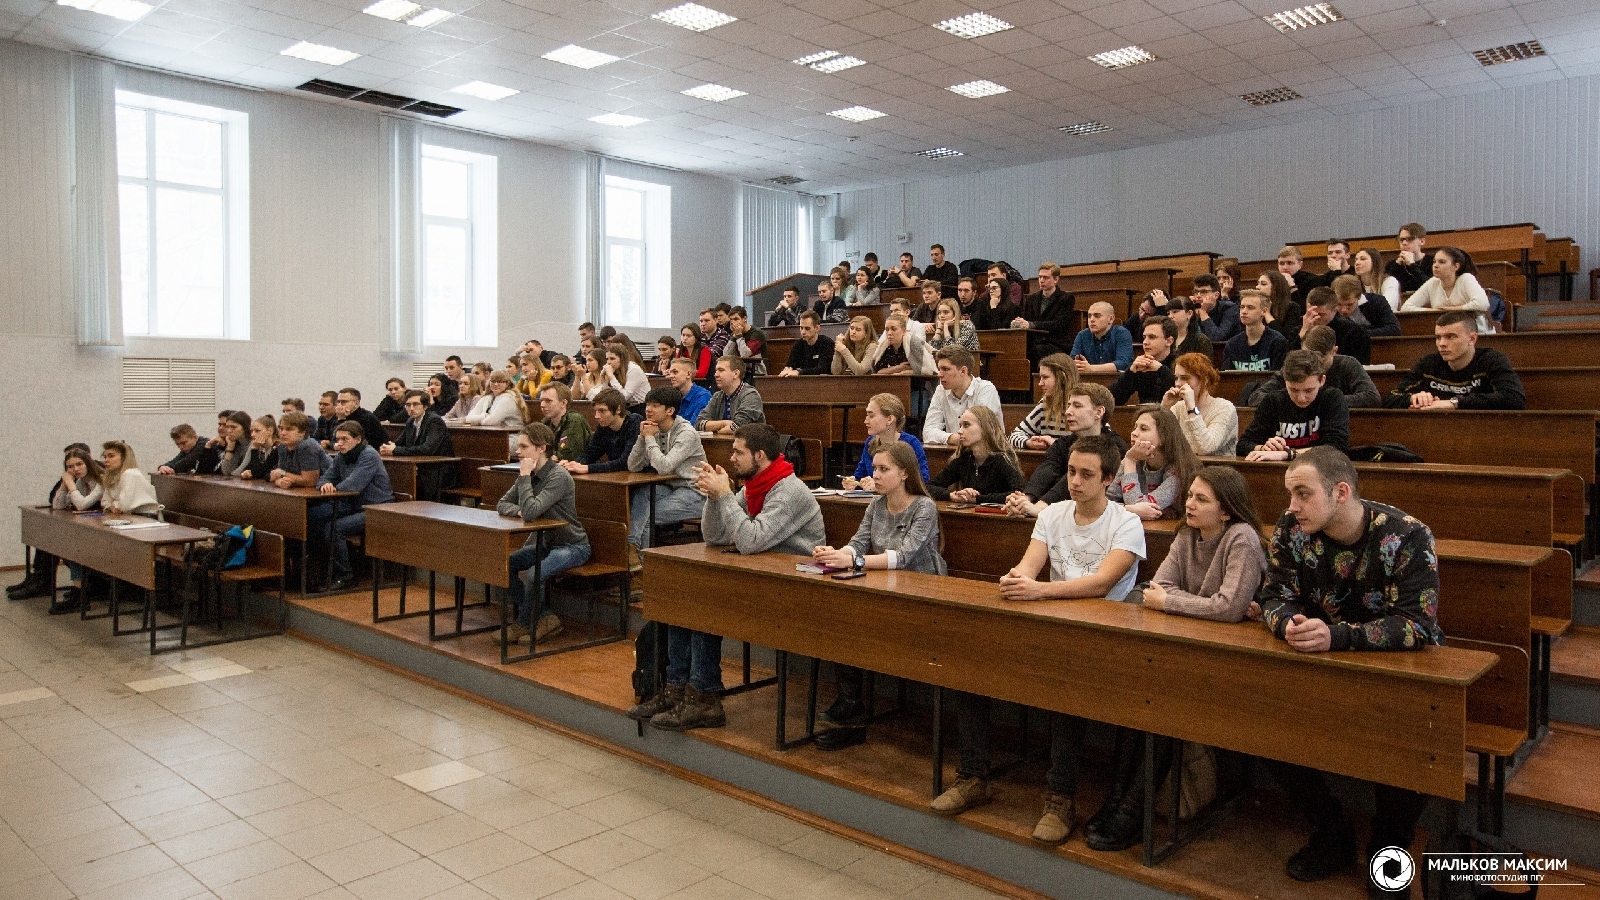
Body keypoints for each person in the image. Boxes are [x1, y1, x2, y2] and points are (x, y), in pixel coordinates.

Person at [932, 436, 1144, 845]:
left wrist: (1039, 591)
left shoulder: (1126, 523)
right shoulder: (1054, 515)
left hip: (1103, 633)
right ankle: (973, 776)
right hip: (1052, 621)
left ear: (1109, 479)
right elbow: (1030, 565)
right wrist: (1016, 580)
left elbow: (1101, 584)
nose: (1076, 482)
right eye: (1070, 473)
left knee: (1062, 683)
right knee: (972, 667)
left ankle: (1060, 798)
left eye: (1087, 475)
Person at [1257, 447, 1443, 894]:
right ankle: (1332, 831)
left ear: (1341, 492)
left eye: (1303, 494)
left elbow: (1418, 625)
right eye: (1289, 494)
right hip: (1318, 660)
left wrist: (1336, 637)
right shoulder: (1291, 528)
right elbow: (1273, 596)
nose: (1291, 507)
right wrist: (1291, 625)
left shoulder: (1407, 535)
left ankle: (1389, 844)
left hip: (1397, 670)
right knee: (1260, 716)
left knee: (1410, 736)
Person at [1084, 465, 1269, 852]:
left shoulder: (1243, 539)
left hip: (1231, 661)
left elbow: (1228, 608)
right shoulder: (1187, 536)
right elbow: (1159, 586)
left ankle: (1132, 810)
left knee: (1163, 704)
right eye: (1190, 496)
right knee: (1142, 699)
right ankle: (1117, 800)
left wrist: (1172, 603)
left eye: (1201, 499)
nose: (1190, 504)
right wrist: (1187, 603)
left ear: (1226, 510)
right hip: (1186, 651)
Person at [811, 440, 947, 748]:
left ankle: (852, 709)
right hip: (887, 587)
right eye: (875, 468)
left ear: (903, 473)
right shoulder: (876, 504)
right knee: (840, 621)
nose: (876, 475)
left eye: (884, 469)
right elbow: (857, 543)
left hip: (923, 591)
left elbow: (904, 556)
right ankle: (850, 705)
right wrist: (835, 554)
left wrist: (854, 561)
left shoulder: (924, 506)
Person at [496, 422, 591, 647]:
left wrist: (525, 479)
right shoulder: (528, 474)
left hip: (572, 546)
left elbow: (530, 512)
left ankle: (523, 622)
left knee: (532, 574)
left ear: (541, 449)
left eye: (524, 446)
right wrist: (519, 508)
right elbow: (502, 504)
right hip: (546, 543)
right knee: (504, 565)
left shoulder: (557, 477)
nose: (517, 451)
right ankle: (544, 617)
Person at [1004, 383, 1131, 518]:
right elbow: (1046, 470)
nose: (1068, 411)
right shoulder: (1063, 443)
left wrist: (1042, 506)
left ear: (1099, 412)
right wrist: (1025, 499)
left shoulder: (1114, 446)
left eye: (1077, 406)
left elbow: (1073, 480)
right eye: (1069, 405)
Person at [1384, 310, 1526, 410]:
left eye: (1450, 336)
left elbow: (1513, 398)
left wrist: (1454, 403)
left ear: (1472, 339)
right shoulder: (1429, 363)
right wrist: (1413, 398)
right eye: (1438, 337)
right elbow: (1391, 398)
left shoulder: (1492, 360)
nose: (1442, 343)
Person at [312, 422, 394, 593]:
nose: (339, 443)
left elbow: (354, 485)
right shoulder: (342, 455)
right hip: (352, 504)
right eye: (337, 439)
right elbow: (324, 478)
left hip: (377, 508)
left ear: (357, 439)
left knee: (334, 528)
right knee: (313, 517)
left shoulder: (369, 455)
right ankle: (323, 571)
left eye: (345, 439)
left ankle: (346, 575)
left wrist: (333, 487)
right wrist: (325, 484)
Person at [627, 387, 708, 551]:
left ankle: (640, 559)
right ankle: (634, 546)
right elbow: (633, 466)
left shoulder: (686, 433)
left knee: (647, 515)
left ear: (670, 410)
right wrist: (642, 438)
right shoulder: (653, 428)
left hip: (695, 492)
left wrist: (649, 438)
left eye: (655, 406)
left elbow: (664, 467)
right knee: (643, 492)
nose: (648, 409)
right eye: (647, 404)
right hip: (670, 487)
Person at [1238, 350, 1349, 459]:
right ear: (1285, 381)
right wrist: (1265, 448)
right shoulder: (1273, 401)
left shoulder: (1332, 398)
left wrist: (1288, 454)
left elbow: (1335, 448)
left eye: (1309, 390)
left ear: (1322, 381)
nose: (1301, 398)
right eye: (1294, 390)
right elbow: (1243, 444)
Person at [1253, 326, 1382, 410]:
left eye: (1321, 358)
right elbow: (1256, 397)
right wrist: (1295, 398)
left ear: (1334, 351)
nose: (1312, 361)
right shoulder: (1295, 365)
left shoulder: (1347, 364)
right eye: (1307, 354)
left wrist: (1322, 400)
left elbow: (1371, 397)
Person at [1109, 406, 1198, 520]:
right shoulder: (1130, 460)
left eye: (1144, 428)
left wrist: (1130, 462)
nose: (1134, 433)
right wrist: (1127, 509)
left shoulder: (1178, 470)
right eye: (1135, 427)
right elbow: (1105, 502)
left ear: (1163, 437)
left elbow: (1140, 507)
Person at [46, 447, 106, 613]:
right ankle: (79, 591)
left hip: (109, 530)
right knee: (67, 544)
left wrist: (71, 484)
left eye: (79, 464)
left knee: (74, 546)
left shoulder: (100, 480)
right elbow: (58, 505)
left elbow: (82, 504)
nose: (75, 469)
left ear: (88, 463)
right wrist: (65, 485)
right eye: (70, 467)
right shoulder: (80, 482)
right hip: (93, 527)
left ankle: (80, 594)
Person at [928, 407, 1024, 504]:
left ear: (985, 428)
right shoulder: (964, 459)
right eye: (960, 426)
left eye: (966, 425)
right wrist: (953, 495)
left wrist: (977, 499)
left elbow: (1019, 493)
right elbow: (928, 487)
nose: (959, 431)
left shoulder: (1003, 458)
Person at [380, 390, 456, 500]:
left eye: (415, 404)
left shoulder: (434, 421)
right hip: (421, 467)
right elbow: (398, 443)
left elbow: (427, 449)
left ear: (425, 406)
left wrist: (395, 450)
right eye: (408, 405)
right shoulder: (411, 421)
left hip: (439, 470)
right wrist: (387, 447)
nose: (411, 408)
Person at [1162, 352, 1238, 457]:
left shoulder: (1225, 408)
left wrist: (1192, 408)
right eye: (1176, 378)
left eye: (1184, 378)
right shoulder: (1177, 408)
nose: (1177, 384)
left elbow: (1206, 448)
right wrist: (1164, 408)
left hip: (1216, 470)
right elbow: (1158, 443)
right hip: (1183, 469)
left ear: (1204, 380)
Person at [923, 346, 1002, 447]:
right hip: (958, 454)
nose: (939, 374)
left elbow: (984, 432)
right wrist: (952, 438)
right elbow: (928, 432)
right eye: (939, 369)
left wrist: (956, 438)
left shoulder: (985, 389)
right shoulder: (940, 390)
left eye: (946, 369)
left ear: (963, 371)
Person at [1401, 247, 1490, 332]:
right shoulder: (1433, 282)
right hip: (1447, 333)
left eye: (1442, 262)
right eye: (1434, 262)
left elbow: (1482, 304)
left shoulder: (1466, 278)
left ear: (1456, 266)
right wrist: (1434, 311)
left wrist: (1450, 310)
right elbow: (1406, 308)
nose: (1435, 265)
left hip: (1478, 332)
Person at [848, 393, 928, 484]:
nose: (866, 421)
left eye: (871, 415)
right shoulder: (870, 442)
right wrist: (853, 483)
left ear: (889, 419)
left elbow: (922, 480)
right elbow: (860, 477)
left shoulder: (911, 443)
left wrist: (878, 485)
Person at [562, 389, 639, 475]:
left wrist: (589, 468)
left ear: (618, 409)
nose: (597, 416)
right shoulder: (603, 427)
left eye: (602, 411)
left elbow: (626, 461)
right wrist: (570, 465)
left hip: (644, 479)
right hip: (620, 477)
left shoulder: (634, 422)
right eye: (596, 411)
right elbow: (590, 454)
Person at [1009, 354, 1077, 448]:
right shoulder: (1045, 404)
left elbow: (1088, 446)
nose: (1040, 383)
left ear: (1062, 377)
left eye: (1045, 377)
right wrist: (1028, 442)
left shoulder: (1081, 406)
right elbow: (1014, 436)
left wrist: (1055, 444)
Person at [1012, 262, 1076, 362]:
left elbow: (1059, 324)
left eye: (1045, 278)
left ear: (1056, 279)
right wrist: (1019, 322)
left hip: (1055, 342)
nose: (1041, 280)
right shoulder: (1032, 299)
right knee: (1016, 349)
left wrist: (1031, 325)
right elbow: (1027, 319)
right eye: (1040, 277)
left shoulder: (1066, 298)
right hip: (1035, 341)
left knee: (1036, 350)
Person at [1291, 285, 1371, 364]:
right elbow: (1290, 363)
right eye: (1310, 313)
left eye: (1321, 314)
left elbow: (1359, 366)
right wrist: (1303, 333)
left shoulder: (1354, 333)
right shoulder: (1297, 331)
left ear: (1334, 311)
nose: (1315, 317)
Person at [1111, 317, 1177, 405]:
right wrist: (1130, 373)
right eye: (1144, 337)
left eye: (1152, 337)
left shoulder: (1181, 364)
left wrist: (1162, 370)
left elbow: (1184, 396)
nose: (1145, 342)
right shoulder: (1141, 365)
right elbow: (1112, 400)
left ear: (1169, 341)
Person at [1222, 290, 1288, 372]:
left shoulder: (1277, 341)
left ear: (1264, 311)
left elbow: (1278, 378)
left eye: (1250, 308)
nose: (1244, 312)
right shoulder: (1232, 344)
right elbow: (1226, 378)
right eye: (1242, 307)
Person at [696, 356, 764, 434]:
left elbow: (738, 427)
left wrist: (714, 429)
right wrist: (724, 423)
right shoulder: (717, 396)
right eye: (716, 371)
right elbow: (698, 424)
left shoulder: (750, 395)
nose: (716, 375)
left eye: (721, 370)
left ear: (735, 374)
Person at [271, 412, 330, 489]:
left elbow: (311, 481)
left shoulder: (308, 446)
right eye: (281, 428)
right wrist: (279, 482)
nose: (283, 433)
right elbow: (278, 475)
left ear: (302, 433)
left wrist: (282, 474)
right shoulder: (282, 446)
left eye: (289, 429)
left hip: (329, 491)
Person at [1071, 301, 1134, 373]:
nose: (1091, 320)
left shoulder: (1122, 333)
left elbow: (1123, 363)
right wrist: (1077, 364)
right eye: (1089, 316)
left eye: (1097, 316)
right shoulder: (1082, 335)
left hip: (1115, 380)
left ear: (1111, 319)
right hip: (1087, 381)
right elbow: (1072, 361)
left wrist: (1091, 368)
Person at [100, 440, 159, 516]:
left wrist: (113, 505)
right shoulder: (112, 477)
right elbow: (105, 502)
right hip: (129, 515)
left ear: (124, 457)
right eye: (105, 457)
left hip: (145, 517)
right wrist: (112, 506)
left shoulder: (131, 474)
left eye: (111, 456)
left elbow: (124, 505)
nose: (106, 460)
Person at [1331, 273, 1400, 337]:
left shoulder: (1377, 301)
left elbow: (1394, 329)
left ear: (1359, 296)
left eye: (1349, 305)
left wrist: (1360, 334)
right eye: (1339, 304)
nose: (1344, 310)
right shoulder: (1330, 308)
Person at [539, 382, 591, 463]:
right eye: (541, 400)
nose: (542, 405)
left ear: (563, 403)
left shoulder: (574, 420)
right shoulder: (545, 422)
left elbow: (568, 455)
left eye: (548, 401)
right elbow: (535, 449)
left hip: (584, 472)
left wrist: (546, 455)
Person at [871, 314, 936, 376]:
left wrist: (903, 372)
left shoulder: (913, 343)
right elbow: (878, 372)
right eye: (887, 330)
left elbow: (927, 370)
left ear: (904, 331)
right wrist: (900, 368)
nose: (889, 333)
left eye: (894, 329)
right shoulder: (885, 346)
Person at [778, 310, 835, 376]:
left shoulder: (827, 343)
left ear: (817, 328)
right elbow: (790, 365)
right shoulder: (798, 344)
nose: (803, 332)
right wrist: (787, 370)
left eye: (807, 328)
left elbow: (822, 369)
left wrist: (799, 372)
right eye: (801, 328)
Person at [334, 389, 388, 457]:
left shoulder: (367, 417)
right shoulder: (339, 415)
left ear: (356, 403)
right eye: (338, 402)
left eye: (344, 402)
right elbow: (334, 439)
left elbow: (361, 443)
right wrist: (340, 419)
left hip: (370, 454)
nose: (340, 405)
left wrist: (342, 420)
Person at [225, 415, 279, 481]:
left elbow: (260, 473)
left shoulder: (277, 448)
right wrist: (246, 473)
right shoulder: (257, 446)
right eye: (252, 431)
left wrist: (254, 450)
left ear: (270, 431)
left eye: (257, 431)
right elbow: (246, 469)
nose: (252, 435)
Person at [156, 423, 220, 475]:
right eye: (177, 444)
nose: (181, 447)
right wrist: (162, 467)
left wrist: (169, 469)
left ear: (194, 437)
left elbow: (186, 462)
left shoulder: (203, 444)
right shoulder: (188, 449)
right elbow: (175, 461)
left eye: (184, 443)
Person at [1386, 222, 1433, 294]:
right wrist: (1396, 265)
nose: (1404, 243)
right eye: (1401, 240)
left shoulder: (1432, 262)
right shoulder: (1392, 265)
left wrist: (1412, 265)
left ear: (1422, 241)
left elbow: (1431, 287)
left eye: (1410, 239)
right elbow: (1386, 287)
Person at [664, 358, 712, 427]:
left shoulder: (703, 396)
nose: (671, 376)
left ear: (688, 374)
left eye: (675, 372)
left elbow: (694, 425)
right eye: (670, 372)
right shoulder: (672, 395)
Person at [1192, 273, 1240, 343]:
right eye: (1196, 292)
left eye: (1203, 292)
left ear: (1216, 295)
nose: (1198, 295)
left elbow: (1216, 338)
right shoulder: (1192, 309)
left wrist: (1203, 312)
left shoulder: (1230, 308)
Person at [604, 342, 651, 411]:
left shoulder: (633, 369)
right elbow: (606, 395)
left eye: (612, 359)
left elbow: (624, 397)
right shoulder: (615, 370)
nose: (608, 362)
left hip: (641, 407)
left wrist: (611, 376)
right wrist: (603, 378)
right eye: (607, 359)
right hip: (626, 407)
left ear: (622, 359)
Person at [721, 308, 767, 378]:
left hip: (756, 372)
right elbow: (726, 354)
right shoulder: (735, 334)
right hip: (741, 371)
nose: (733, 322)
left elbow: (745, 354)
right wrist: (734, 336)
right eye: (731, 319)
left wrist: (739, 336)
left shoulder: (756, 333)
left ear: (744, 319)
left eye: (736, 319)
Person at [1353, 248, 1402, 313]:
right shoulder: (1353, 284)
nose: (1357, 263)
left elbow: (1388, 306)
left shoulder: (1389, 281)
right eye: (1356, 260)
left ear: (1374, 262)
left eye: (1363, 259)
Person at [1257, 270, 1303, 338]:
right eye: (1258, 283)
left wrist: (1267, 314)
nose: (1257, 287)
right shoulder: (1256, 306)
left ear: (1276, 287)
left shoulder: (1292, 308)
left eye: (1263, 284)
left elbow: (1285, 337)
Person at [213, 411, 253, 478]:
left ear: (245, 428)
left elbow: (239, 472)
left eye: (233, 427)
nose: (229, 431)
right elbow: (226, 471)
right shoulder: (234, 443)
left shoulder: (252, 444)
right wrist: (230, 447)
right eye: (227, 427)